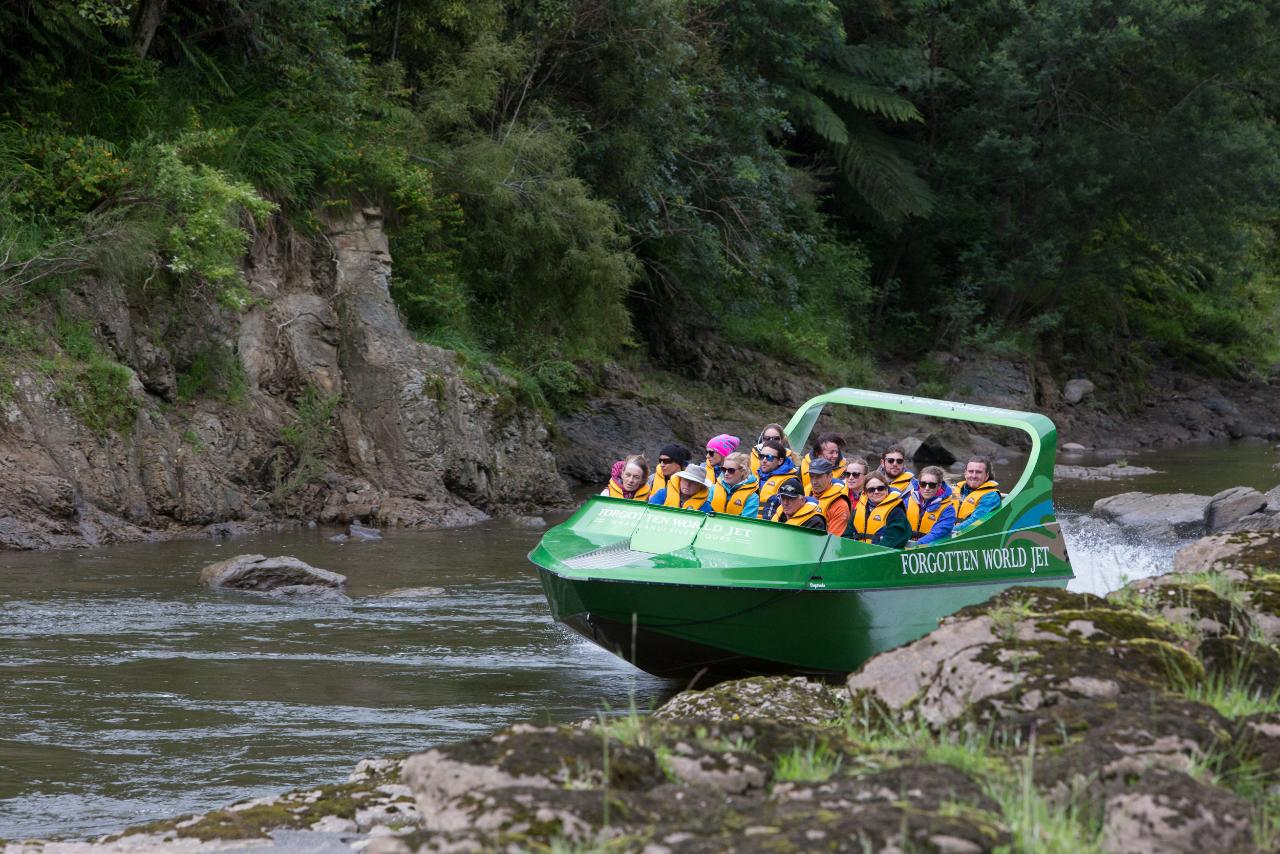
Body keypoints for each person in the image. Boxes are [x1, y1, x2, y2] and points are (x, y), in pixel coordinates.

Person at [848, 472, 910, 548]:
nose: (876, 492)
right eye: (871, 490)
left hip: (880, 555)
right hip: (856, 552)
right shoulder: (859, 508)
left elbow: (893, 540)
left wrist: (869, 554)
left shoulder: (896, 512)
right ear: (865, 492)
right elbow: (847, 534)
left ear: (887, 489)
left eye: (880, 488)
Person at [905, 465, 956, 545]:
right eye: (923, 484)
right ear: (918, 483)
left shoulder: (948, 510)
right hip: (906, 546)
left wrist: (915, 545)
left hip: (930, 550)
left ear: (939, 486)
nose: (927, 488)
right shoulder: (907, 501)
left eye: (932, 485)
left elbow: (937, 534)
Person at [953, 457, 1001, 535]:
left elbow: (975, 521)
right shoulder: (956, 489)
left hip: (971, 536)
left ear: (986, 476)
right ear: (965, 473)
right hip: (949, 534)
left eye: (978, 472)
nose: (974, 475)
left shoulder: (991, 496)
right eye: (971, 471)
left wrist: (947, 532)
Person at [755, 438, 799, 520]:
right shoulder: (752, 478)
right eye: (761, 456)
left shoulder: (790, 482)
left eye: (769, 457)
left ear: (780, 461)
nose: (764, 460)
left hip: (772, 527)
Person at [806, 457, 850, 537]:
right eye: (811, 476)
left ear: (830, 476)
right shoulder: (804, 493)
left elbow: (831, 540)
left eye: (818, 477)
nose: (814, 481)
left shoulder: (840, 505)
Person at [709, 451, 759, 517]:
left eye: (731, 470)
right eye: (724, 469)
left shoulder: (752, 497)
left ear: (742, 472)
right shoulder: (713, 489)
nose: (726, 473)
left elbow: (747, 524)